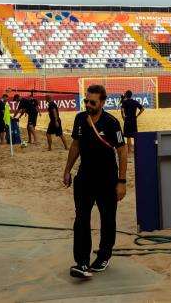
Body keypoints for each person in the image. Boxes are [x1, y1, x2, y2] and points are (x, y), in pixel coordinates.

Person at [63, 84, 128, 279]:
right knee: (81, 219)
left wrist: (122, 181)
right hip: (84, 178)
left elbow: (122, 151)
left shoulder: (112, 123)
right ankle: (81, 261)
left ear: (102, 102)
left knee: (107, 219)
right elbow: (75, 145)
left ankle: (104, 255)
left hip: (107, 180)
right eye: (86, 101)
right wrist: (67, 170)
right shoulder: (80, 119)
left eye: (93, 102)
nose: (88, 105)